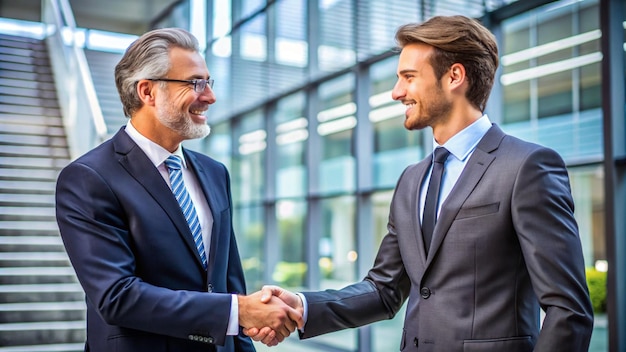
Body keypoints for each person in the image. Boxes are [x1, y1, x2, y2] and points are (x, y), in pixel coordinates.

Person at [245, 15, 594, 352]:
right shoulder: (412, 179)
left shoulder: (526, 167)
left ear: (454, 76)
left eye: (409, 77)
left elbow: (569, 309)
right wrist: (302, 306)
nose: (397, 92)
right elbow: (384, 289)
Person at [55, 27, 301, 352]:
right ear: (147, 92)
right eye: (195, 83)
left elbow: (228, 283)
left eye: (209, 83)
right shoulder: (89, 178)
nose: (210, 96)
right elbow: (117, 296)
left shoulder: (215, 173)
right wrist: (238, 311)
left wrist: (242, 321)